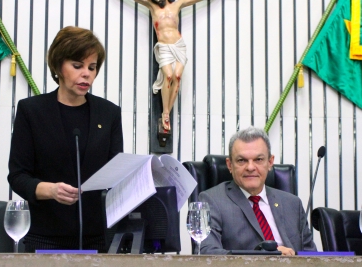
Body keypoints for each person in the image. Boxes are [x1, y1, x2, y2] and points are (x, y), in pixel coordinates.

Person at [7, 26, 123, 252]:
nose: (86, 74)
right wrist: (50, 190)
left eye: (92, 67)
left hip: (100, 238)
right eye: (77, 66)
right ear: (58, 66)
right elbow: (18, 176)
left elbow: (116, 173)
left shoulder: (109, 113)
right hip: (45, 237)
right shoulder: (32, 111)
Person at [198, 127, 317, 255]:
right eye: (241, 160)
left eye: (258, 160)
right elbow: (207, 253)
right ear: (229, 165)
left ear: (270, 162)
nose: (250, 167)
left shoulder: (293, 204)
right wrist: (267, 256)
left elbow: (312, 257)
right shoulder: (211, 201)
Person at [134, 0, 203, 131]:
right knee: (169, 75)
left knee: (177, 76)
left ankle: (167, 113)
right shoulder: (152, 6)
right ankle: (165, 111)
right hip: (164, 47)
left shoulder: (177, 4)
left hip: (178, 45)